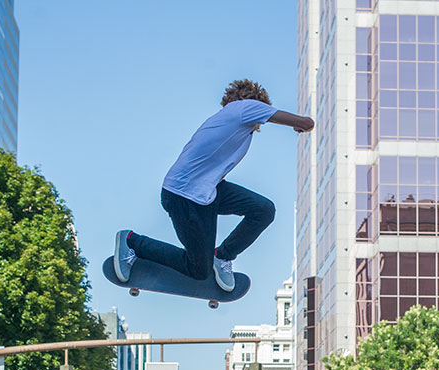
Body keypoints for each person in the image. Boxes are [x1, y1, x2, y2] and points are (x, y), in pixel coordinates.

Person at [116, 79, 315, 292]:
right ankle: (132, 242)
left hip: (208, 191)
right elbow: (307, 123)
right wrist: (300, 124)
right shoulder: (244, 107)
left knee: (263, 210)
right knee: (199, 270)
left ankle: (222, 256)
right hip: (183, 195)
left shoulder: (232, 121)